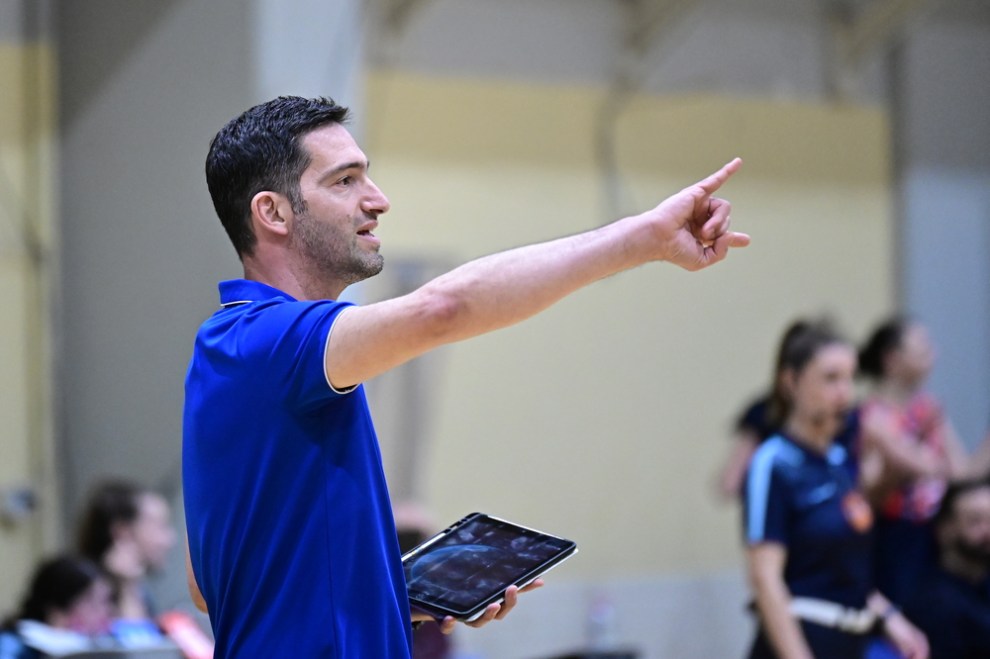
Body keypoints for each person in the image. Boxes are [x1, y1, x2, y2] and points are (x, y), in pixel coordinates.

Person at [182, 95, 749, 658]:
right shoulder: (266, 339)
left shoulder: (232, 350)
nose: (377, 200)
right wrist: (640, 240)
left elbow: (209, 587)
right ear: (273, 212)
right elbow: (443, 309)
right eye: (345, 181)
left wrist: (395, 594)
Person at [743, 320, 928, 659]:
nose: (845, 392)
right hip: (802, 639)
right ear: (790, 382)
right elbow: (765, 579)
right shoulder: (772, 462)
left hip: (851, 641)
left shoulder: (840, 461)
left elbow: (845, 570)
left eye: (850, 378)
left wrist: (890, 618)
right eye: (830, 378)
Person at [856, 317, 990, 607]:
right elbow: (867, 490)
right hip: (894, 538)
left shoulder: (927, 409)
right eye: (922, 347)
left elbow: (960, 477)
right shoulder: (871, 415)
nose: (933, 354)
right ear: (892, 359)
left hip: (934, 534)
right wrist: (902, 464)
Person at [901, 478, 990, 658]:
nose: (988, 531)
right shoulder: (935, 603)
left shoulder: (983, 587)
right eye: (976, 521)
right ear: (945, 529)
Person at [76, 479, 178, 623]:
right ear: (123, 532)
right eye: (160, 526)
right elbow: (137, 636)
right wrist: (126, 588)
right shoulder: (84, 596)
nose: (170, 540)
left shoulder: (142, 591)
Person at [0, 555, 113, 659]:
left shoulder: (105, 643)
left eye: (106, 601)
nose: (105, 611)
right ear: (56, 610)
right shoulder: (12, 646)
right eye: (92, 602)